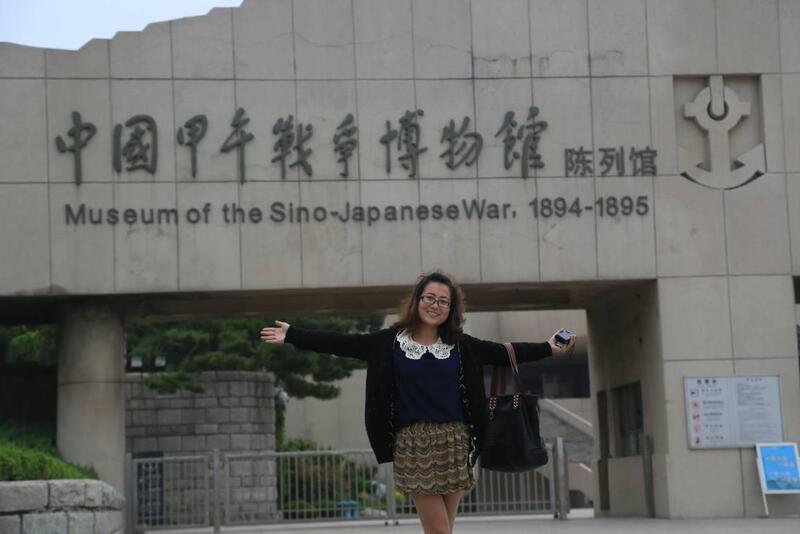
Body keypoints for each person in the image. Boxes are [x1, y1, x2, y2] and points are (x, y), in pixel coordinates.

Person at [260, 271, 576, 534]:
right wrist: (294, 334)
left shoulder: (461, 345)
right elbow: (342, 343)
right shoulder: (388, 343)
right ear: (417, 300)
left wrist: (549, 347)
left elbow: (505, 352)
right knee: (438, 530)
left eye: (443, 301)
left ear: (451, 309)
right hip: (413, 444)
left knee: (443, 530)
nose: (435, 305)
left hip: (457, 442)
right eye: (429, 298)